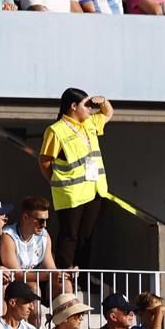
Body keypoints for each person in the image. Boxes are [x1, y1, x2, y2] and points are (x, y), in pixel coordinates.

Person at [40, 88, 113, 269]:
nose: (90, 108)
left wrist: (102, 100)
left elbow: (108, 112)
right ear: (73, 106)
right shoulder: (56, 130)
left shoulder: (89, 123)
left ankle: (83, 275)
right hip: (71, 193)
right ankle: (64, 276)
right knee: (69, 236)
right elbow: (44, 161)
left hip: (94, 189)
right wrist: (56, 182)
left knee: (86, 237)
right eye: (86, 105)